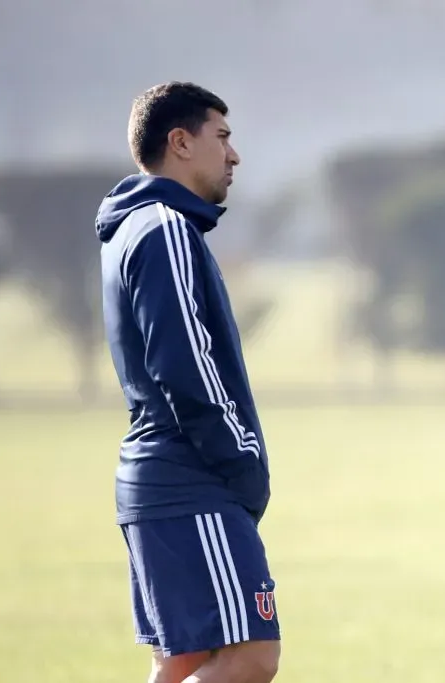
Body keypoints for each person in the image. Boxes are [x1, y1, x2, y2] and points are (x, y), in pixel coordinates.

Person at [95, 82, 280, 683]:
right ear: (180, 142)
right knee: (250, 657)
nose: (234, 155)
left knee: (182, 662)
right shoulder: (164, 227)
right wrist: (241, 455)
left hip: (159, 482)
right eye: (222, 137)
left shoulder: (134, 228)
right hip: (190, 480)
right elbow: (185, 365)